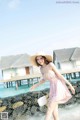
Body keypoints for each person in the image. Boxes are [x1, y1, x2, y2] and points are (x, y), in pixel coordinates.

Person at [30, 52, 75, 120]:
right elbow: (44, 79)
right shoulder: (41, 69)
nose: (39, 60)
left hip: (59, 86)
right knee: (54, 112)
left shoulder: (50, 65)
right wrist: (35, 85)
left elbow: (59, 75)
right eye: (38, 59)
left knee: (50, 109)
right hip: (53, 88)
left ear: (44, 58)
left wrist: (70, 85)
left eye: (41, 58)